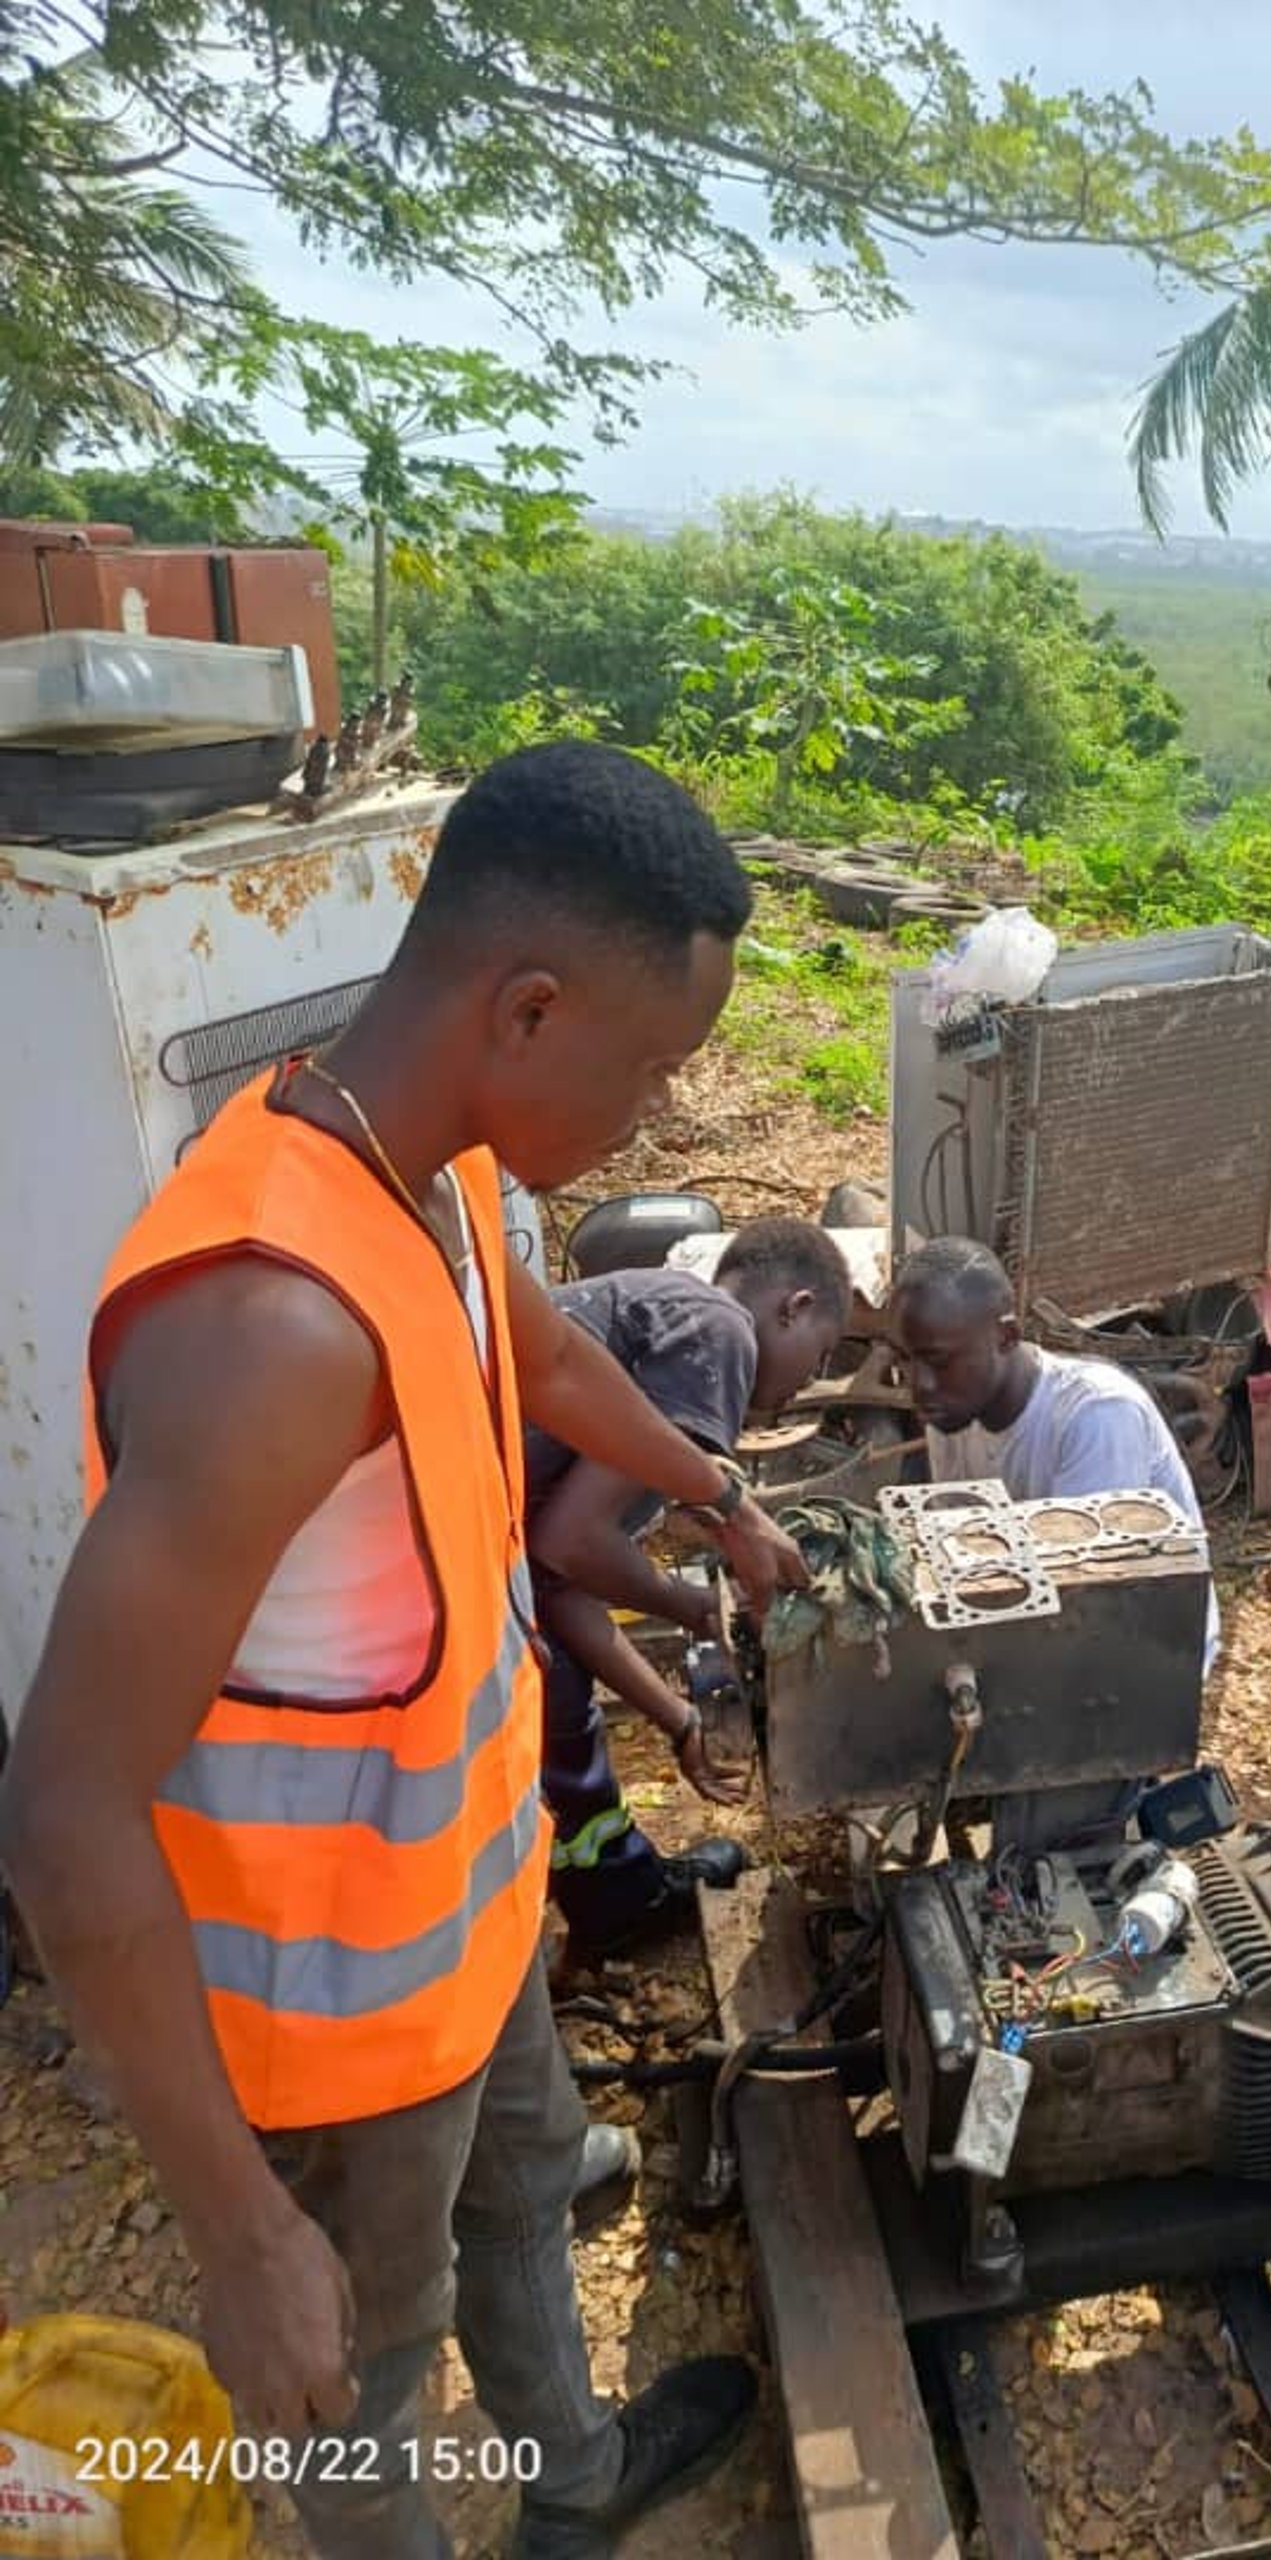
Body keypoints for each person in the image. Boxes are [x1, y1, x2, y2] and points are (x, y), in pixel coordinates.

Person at [0, 743, 815, 2559]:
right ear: (528, 1010)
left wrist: (722, 1494)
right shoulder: (272, 1328)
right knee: (367, 2386)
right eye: (656, 1067)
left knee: (528, 2177)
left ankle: (577, 2486)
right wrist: (236, 2229)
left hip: (459, 1917)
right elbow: (62, 1814)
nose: (660, 1120)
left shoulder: (428, 1170)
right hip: (321, 2020)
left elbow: (553, 1361)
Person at [526, 1218, 852, 1961]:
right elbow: (571, 1545)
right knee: (549, 1693)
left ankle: (617, 1897)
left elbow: (563, 1585)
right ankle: (616, 1896)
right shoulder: (719, 1329)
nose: (810, 1380)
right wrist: (691, 1604)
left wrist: (680, 1723)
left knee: (555, 1688)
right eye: (822, 1354)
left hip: (468, 1560)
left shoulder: (663, 1350)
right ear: (793, 1306)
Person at [888, 1237, 1218, 1848]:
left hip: (1132, 1647)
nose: (919, 1385)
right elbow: (966, 1556)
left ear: (1007, 1336)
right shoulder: (954, 1409)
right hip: (1033, 1614)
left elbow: (1095, 1617)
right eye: (907, 1361)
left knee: (1040, 1848)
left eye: (937, 1360)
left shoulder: (1095, 1417)